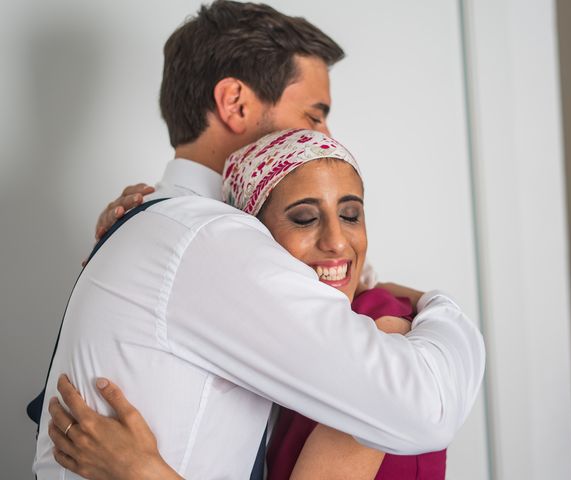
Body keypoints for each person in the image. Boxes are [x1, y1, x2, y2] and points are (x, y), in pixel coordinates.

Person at [34, 1, 485, 478]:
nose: (324, 136)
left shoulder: (156, 226)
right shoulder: (212, 241)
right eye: (314, 115)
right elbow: (424, 407)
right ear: (236, 103)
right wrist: (443, 309)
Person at [49, 129, 450, 479]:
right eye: (305, 218)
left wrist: (140, 472)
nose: (336, 241)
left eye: (350, 214)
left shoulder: (381, 336)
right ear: (255, 240)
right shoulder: (288, 341)